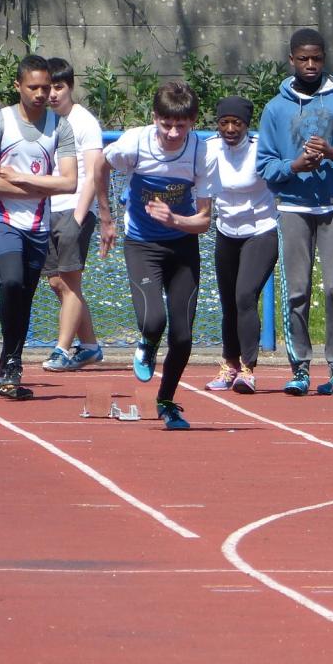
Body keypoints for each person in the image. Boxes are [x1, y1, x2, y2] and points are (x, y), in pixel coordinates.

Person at [256, 27, 333, 398]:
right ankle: (299, 367)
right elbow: (265, 165)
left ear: (325, 59)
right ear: (291, 60)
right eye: (303, 58)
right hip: (293, 207)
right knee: (297, 290)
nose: (310, 65)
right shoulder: (276, 108)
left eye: (317, 58)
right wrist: (295, 165)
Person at [100, 81, 213, 429]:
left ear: (193, 121)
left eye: (181, 125)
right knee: (153, 322)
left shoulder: (200, 152)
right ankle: (147, 343)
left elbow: (204, 221)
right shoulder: (134, 142)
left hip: (182, 246)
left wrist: (175, 219)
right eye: (166, 124)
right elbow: (101, 166)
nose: (173, 133)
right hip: (142, 244)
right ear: (154, 118)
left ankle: (166, 401)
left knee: (183, 336)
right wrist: (106, 218)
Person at [0, 55, 76, 400]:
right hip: (3, 220)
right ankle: (9, 361)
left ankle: (11, 363)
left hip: (37, 225)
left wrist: (21, 178)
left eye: (46, 88)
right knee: (11, 281)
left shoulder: (59, 126)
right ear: (18, 86)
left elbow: (69, 183)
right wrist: (43, 186)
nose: (40, 94)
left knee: (25, 296)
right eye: (33, 87)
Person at [40, 58, 113, 372]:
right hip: (49, 210)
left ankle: (61, 349)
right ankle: (91, 346)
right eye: (48, 88)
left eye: (59, 87)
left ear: (70, 86)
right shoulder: (44, 121)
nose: (53, 94)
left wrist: (80, 216)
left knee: (70, 283)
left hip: (74, 210)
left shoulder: (83, 122)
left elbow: (95, 172)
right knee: (57, 283)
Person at [204, 96, 279, 395]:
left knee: (245, 295)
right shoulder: (209, 149)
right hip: (226, 233)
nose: (230, 129)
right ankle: (229, 364)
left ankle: (248, 369)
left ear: (247, 125)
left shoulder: (261, 149)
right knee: (229, 303)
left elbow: (285, 169)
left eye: (237, 123)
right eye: (224, 123)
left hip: (260, 231)